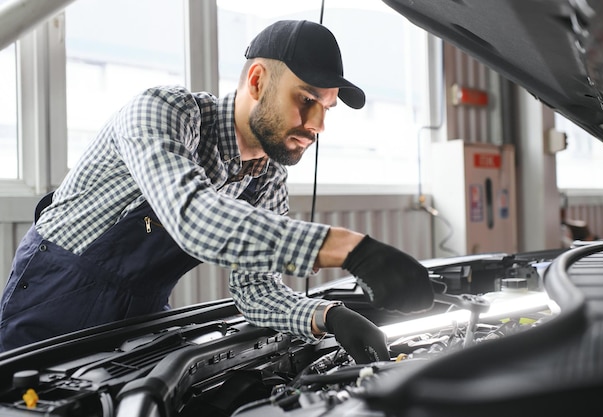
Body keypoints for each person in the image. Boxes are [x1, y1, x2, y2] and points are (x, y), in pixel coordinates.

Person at [0, 20, 433, 362]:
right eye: (306, 100)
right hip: (52, 304)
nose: (318, 125)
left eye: (326, 109)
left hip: (140, 317)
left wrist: (329, 316)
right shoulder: (164, 112)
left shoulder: (267, 177)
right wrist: (351, 249)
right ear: (258, 81)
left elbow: (256, 291)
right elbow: (193, 217)